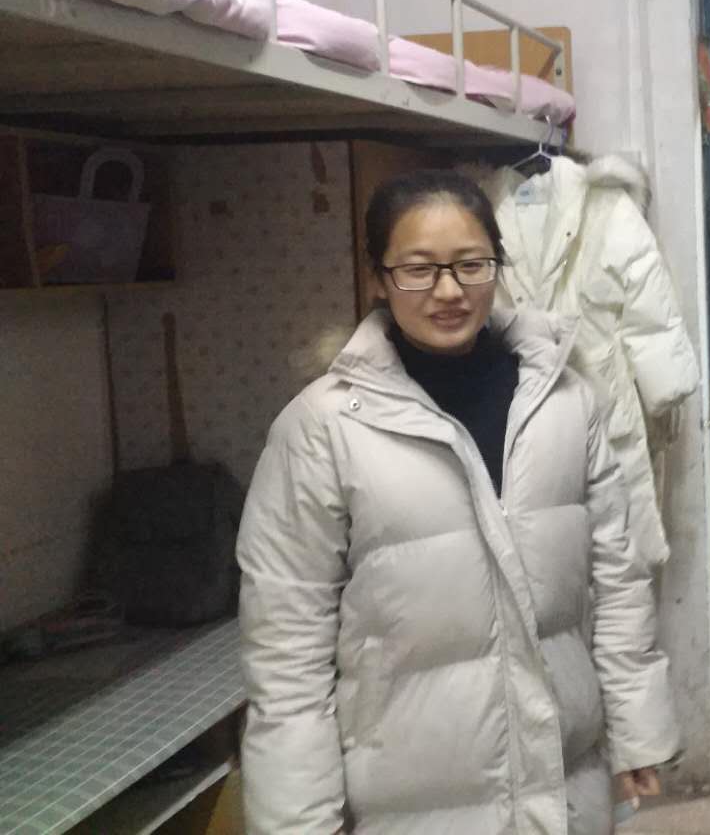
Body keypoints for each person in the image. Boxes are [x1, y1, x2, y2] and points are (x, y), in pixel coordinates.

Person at [237, 170, 679, 834]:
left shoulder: (564, 401)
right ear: (378, 277)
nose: (449, 291)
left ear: (498, 265)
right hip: (409, 798)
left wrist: (638, 724)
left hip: (562, 780)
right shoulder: (322, 429)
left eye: (471, 265)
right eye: (419, 269)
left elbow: (619, 578)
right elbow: (286, 652)